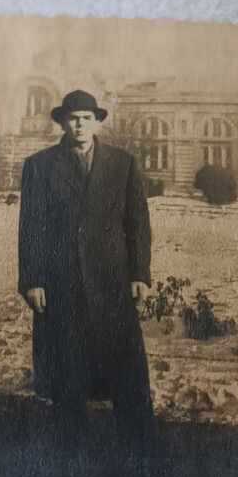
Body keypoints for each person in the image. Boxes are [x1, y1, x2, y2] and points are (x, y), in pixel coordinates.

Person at [18, 89, 156, 440]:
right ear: (63, 122)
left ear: (96, 123)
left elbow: (137, 222)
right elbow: (31, 226)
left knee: (123, 366)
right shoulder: (40, 166)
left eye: (86, 118)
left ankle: (137, 449)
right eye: (73, 118)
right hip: (60, 280)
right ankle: (70, 450)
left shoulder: (122, 164)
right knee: (67, 367)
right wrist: (32, 280)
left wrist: (140, 273)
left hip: (112, 279)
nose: (79, 125)